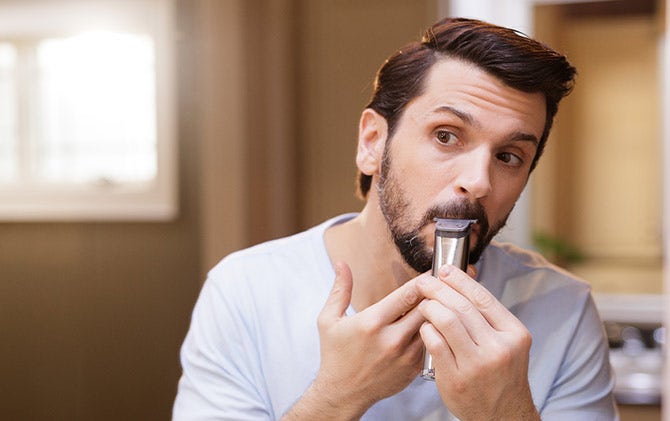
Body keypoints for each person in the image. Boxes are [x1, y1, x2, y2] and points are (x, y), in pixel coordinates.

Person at [173, 17, 618, 420]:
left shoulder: (564, 310)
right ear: (372, 143)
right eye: (446, 136)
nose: (479, 181)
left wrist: (506, 414)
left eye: (509, 156)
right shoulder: (244, 291)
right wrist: (337, 396)